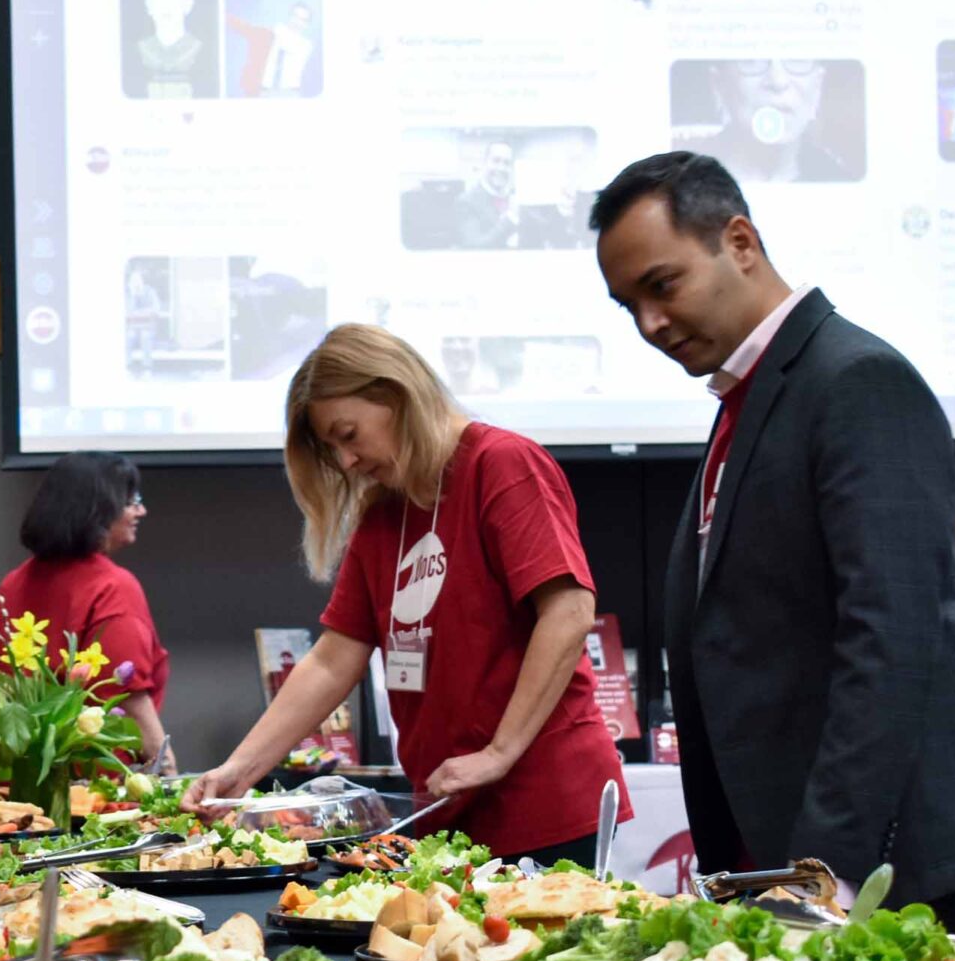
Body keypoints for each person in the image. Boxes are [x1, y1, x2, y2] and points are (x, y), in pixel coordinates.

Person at [589, 151, 955, 931]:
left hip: (888, 872)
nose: (650, 324)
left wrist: (821, 872)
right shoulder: (746, 398)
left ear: (741, 243)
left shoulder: (857, 381)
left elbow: (892, 639)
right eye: (628, 306)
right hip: (788, 861)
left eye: (663, 285)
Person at [184, 324, 630, 860]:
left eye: (348, 434)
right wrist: (241, 770)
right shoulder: (384, 512)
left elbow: (569, 611)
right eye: (333, 447)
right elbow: (331, 661)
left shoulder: (501, 464)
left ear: (394, 394)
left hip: (545, 804)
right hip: (449, 806)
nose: (346, 461)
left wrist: (499, 752)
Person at [0, 451, 173, 773]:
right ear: (99, 510)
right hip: (91, 796)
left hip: (12, 790)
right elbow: (128, 699)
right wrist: (168, 775)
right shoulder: (113, 587)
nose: (141, 510)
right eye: (131, 500)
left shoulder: (12, 584)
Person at [693, 59, 853, 183]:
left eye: (796, 60)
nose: (778, 81)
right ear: (719, 84)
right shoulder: (687, 179)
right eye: (753, 61)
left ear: (818, 84)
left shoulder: (843, 180)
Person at [456, 141, 520, 250]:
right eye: (496, 161)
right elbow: (474, 247)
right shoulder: (466, 201)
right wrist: (509, 219)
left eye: (507, 163)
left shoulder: (516, 199)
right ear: (484, 163)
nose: (501, 168)